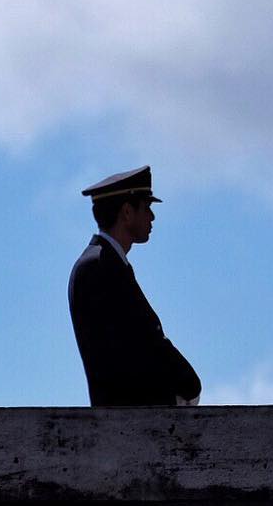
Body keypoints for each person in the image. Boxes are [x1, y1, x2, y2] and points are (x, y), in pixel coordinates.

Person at [68, 166, 201, 407]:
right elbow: (137, 346)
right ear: (127, 212)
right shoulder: (100, 266)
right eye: (147, 207)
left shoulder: (105, 263)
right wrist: (188, 384)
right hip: (129, 423)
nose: (152, 217)